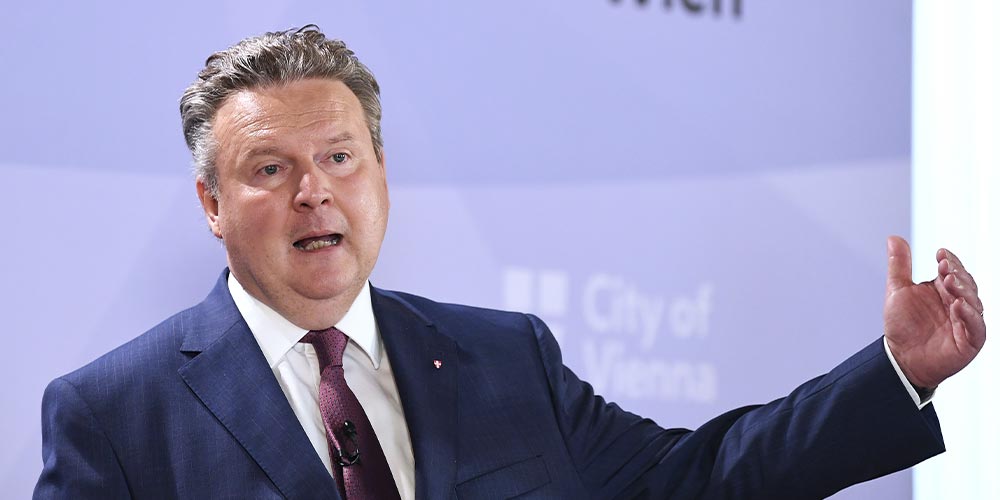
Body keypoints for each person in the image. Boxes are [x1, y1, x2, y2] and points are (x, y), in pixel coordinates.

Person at [34, 26, 986, 500]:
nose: (314, 192)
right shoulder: (113, 415)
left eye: (340, 158)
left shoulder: (503, 358)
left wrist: (898, 372)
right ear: (211, 204)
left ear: (380, 173)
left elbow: (697, 480)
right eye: (270, 170)